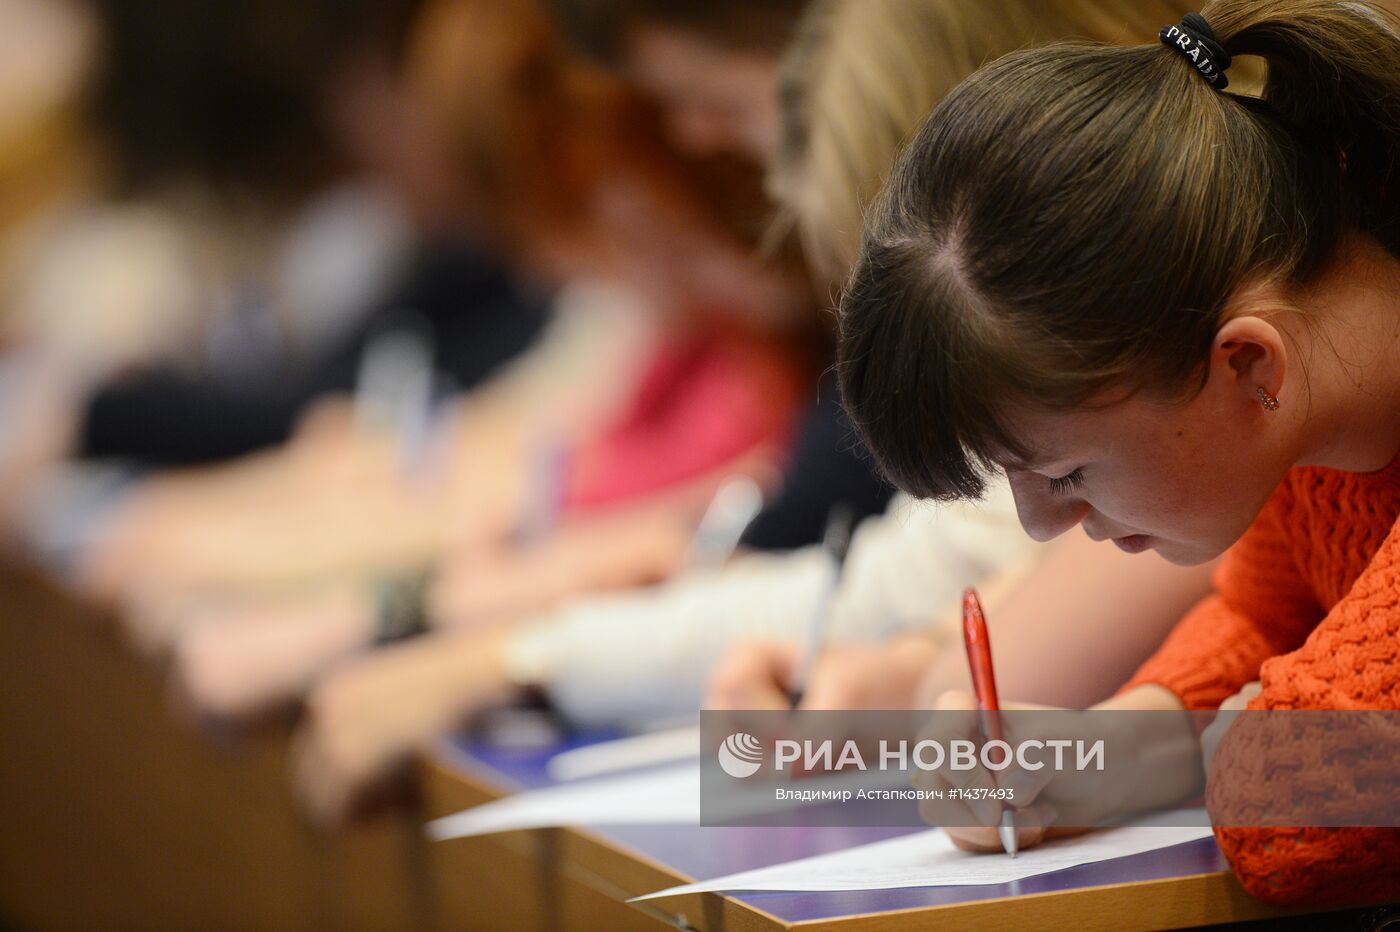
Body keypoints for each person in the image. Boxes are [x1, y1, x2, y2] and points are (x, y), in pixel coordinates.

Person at [284, 0, 1218, 825]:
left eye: (721, 108)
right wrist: (907, 677)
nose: (698, 139)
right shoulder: (1211, 479)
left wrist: (1091, 766)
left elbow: (1357, 768)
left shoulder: (1211, 473)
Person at [837, 0, 1400, 907]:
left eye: (1062, 473)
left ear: (1249, 361)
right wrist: (1080, 765)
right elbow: (1265, 619)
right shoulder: (1304, 435)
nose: (1041, 522)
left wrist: (1249, 742)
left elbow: (1296, 813)